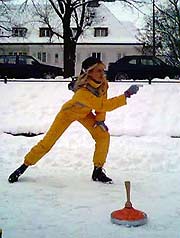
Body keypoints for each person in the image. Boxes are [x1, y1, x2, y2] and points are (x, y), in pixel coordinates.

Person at [8, 57, 140, 184]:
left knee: (103, 136)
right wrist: (126, 95)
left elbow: (102, 104)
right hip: (68, 113)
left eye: (102, 69)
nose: (102, 73)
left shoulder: (104, 84)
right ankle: (24, 165)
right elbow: (103, 105)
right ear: (89, 73)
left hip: (85, 113)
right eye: (98, 70)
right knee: (48, 142)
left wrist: (100, 121)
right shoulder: (82, 92)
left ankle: (98, 171)